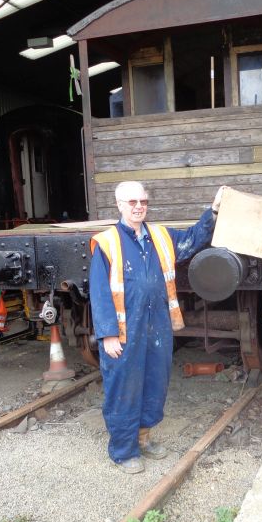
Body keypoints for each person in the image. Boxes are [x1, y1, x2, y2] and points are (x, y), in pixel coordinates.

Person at [90, 181, 224, 474]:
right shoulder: (107, 242)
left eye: (143, 202)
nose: (139, 207)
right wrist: (108, 334)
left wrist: (212, 212)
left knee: (154, 380)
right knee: (124, 386)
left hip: (157, 325)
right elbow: (99, 293)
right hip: (124, 330)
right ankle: (124, 451)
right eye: (132, 202)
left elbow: (192, 239)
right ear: (119, 205)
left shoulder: (160, 236)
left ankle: (144, 437)